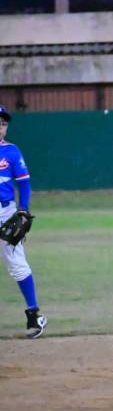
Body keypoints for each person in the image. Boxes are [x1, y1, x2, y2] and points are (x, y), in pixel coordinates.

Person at [0, 105, 47, 339]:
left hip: (5, 213)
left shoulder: (11, 151)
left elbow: (24, 183)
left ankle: (34, 315)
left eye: (3, 122)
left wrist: (23, 209)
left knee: (17, 264)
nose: (0, 126)